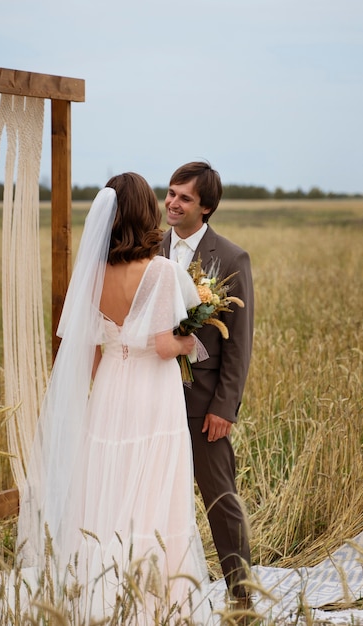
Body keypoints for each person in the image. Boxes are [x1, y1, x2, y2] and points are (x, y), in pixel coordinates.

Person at [17, 173, 212, 623]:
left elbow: (84, 359)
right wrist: (190, 343)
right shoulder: (161, 271)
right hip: (150, 395)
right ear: (146, 212)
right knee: (153, 493)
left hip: (108, 391)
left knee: (108, 485)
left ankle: (102, 597)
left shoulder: (93, 275)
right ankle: (155, 604)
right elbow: (164, 346)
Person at [160, 161, 254, 605]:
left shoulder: (231, 258)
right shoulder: (147, 248)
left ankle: (242, 596)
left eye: (184, 197)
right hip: (152, 398)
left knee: (221, 502)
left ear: (207, 207)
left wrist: (224, 407)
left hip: (204, 406)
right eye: (171, 193)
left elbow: (238, 344)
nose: (172, 203)